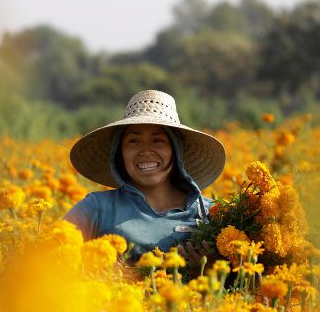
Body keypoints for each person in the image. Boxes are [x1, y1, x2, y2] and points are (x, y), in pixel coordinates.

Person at [64, 89, 226, 271]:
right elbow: (47, 261)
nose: (146, 151)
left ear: (176, 151)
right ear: (119, 153)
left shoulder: (213, 214)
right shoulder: (96, 209)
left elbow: (252, 283)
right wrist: (98, 272)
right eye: (134, 141)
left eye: (158, 141)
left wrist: (218, 272)